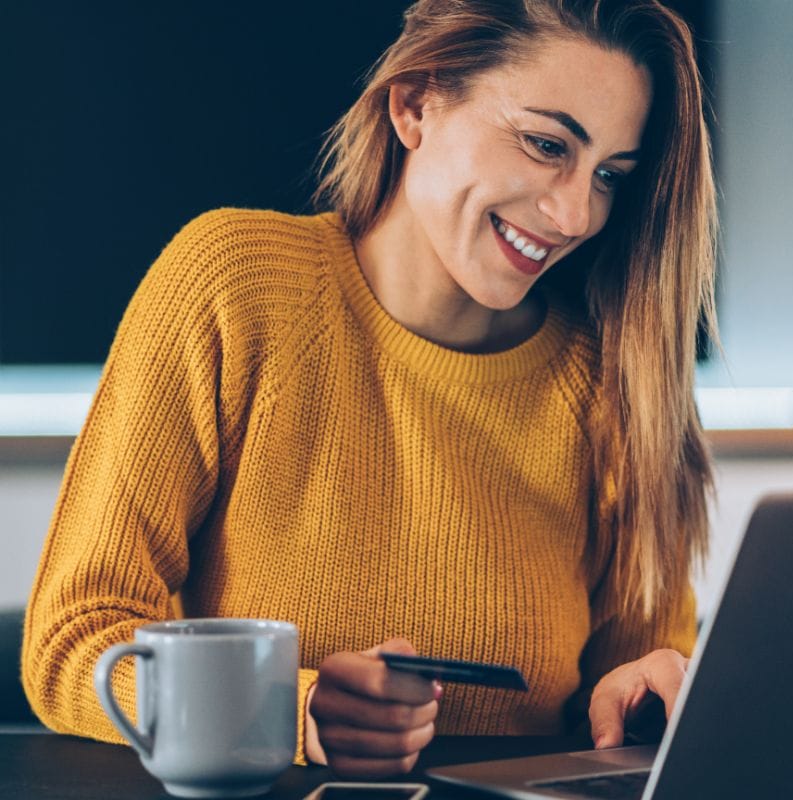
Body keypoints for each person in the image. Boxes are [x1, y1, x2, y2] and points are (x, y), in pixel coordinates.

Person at [22, 0, 717, 781]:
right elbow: (73, 641)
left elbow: (639, 686)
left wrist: (646, 694)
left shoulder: (614, 375)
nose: (575, 212)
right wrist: (291, 711)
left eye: (610, 177)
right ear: (415, 104)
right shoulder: (232, 288)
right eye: (546, 143)